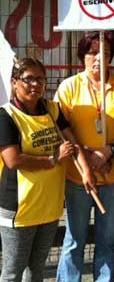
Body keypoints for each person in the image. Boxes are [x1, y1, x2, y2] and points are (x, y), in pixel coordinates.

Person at [0, 57, 95, 282]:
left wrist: (86, 171)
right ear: (14, 82)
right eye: (28, 79)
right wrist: (53, 159)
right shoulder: (6, 116)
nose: (35, 84)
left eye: (40, 79)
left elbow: (73, 143)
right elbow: (13, 160)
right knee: (13, 272)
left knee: (36, 270)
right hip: (20, 209)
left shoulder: (52, 110)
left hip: (49, 207)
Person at [56, 31, 114, 282]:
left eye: (104, 53)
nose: (98, 58)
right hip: (79, 177)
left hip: (113, 176)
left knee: (107, 238)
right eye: (92, 52)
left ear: (111, 57)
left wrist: (108, 151)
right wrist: (87, 162)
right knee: (75, 239)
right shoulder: (68, 87)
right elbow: (62, 128)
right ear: (82, 56)